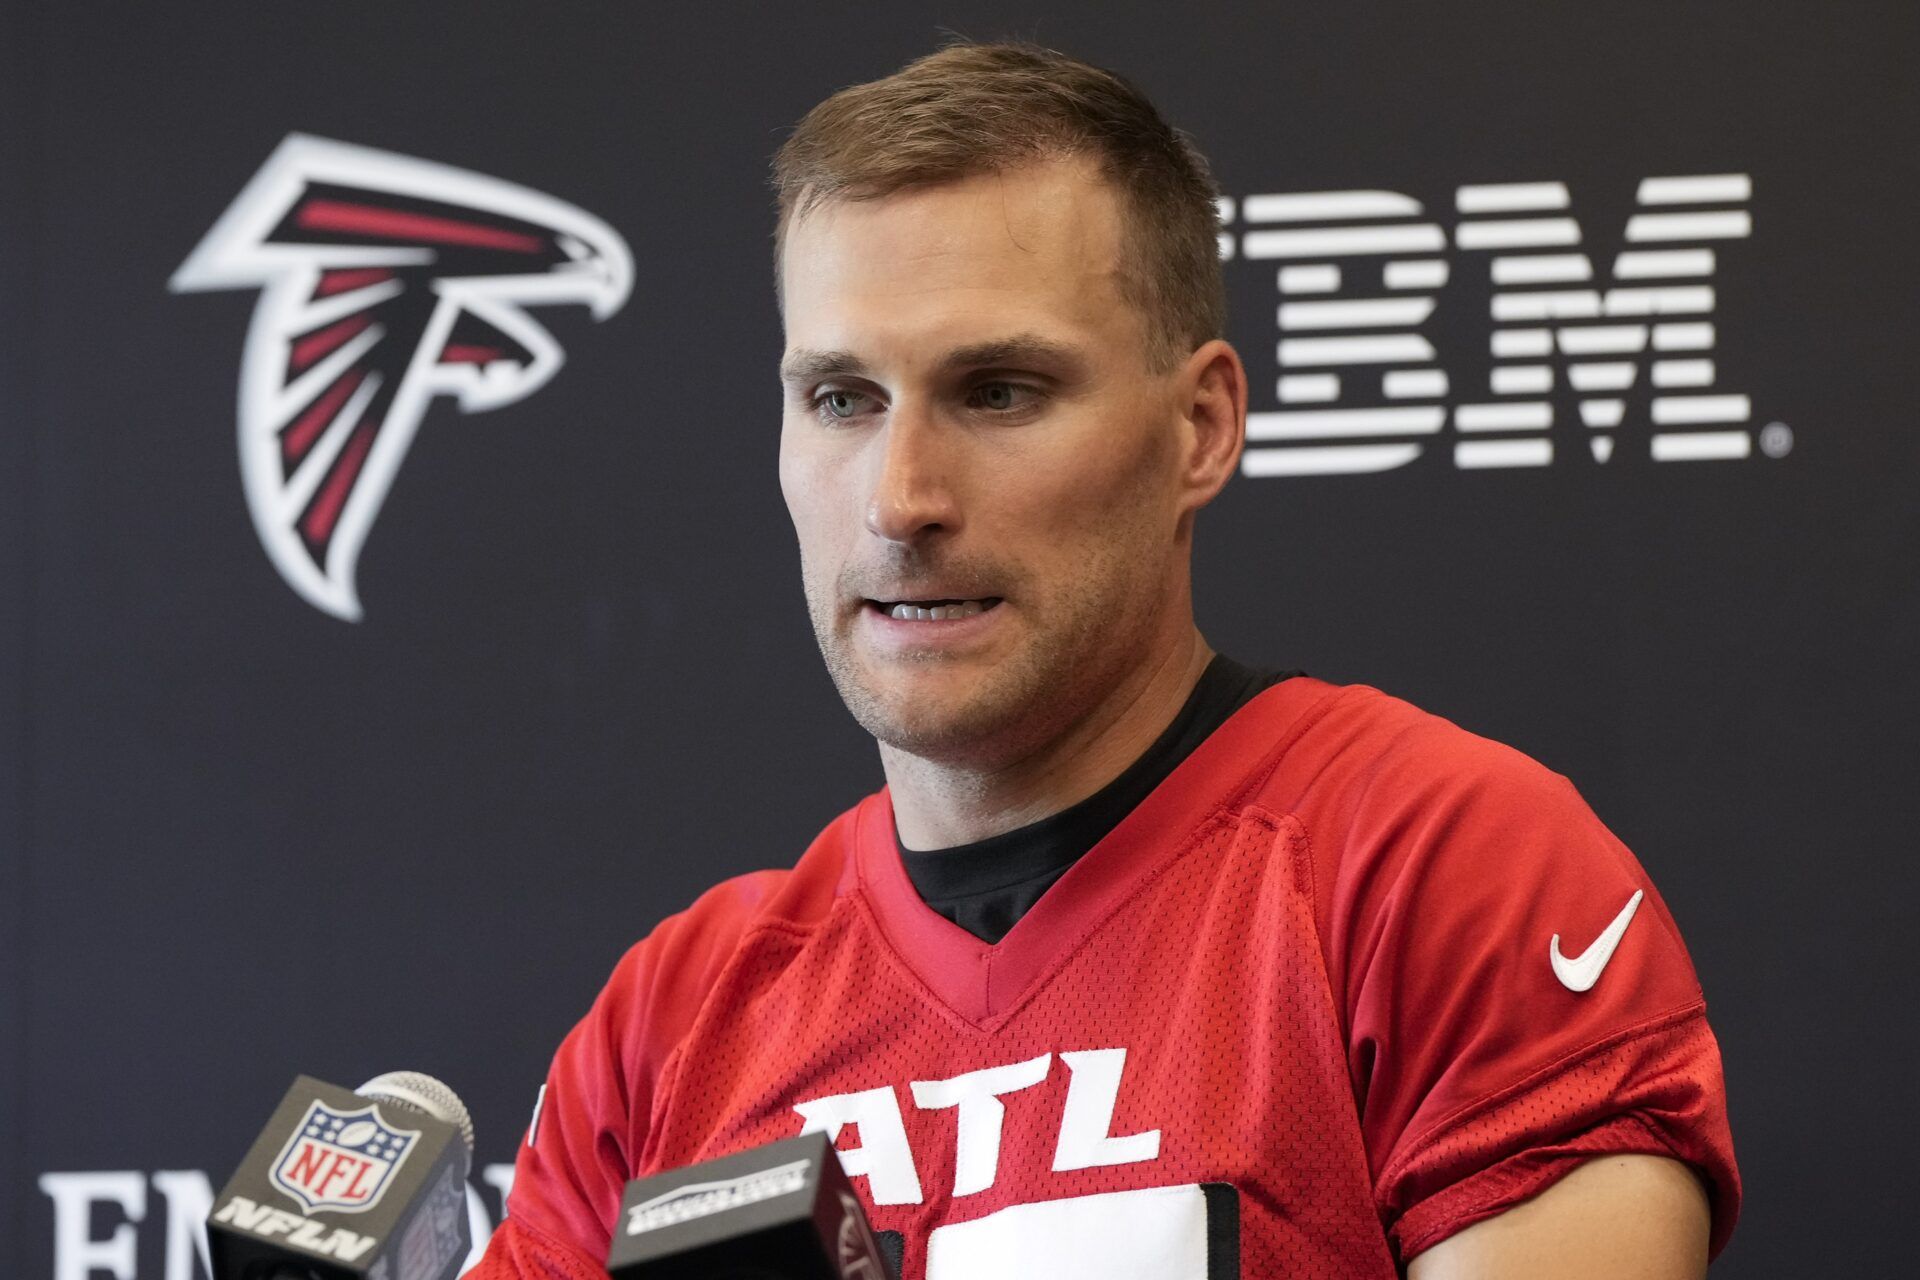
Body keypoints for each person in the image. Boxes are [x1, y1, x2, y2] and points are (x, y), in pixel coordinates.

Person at [473, 40, 1738, 1279]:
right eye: (844, 398)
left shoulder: (1436, 867)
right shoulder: (668, 1026)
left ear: (1201, 428)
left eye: (1001, 392)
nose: (899, 499)